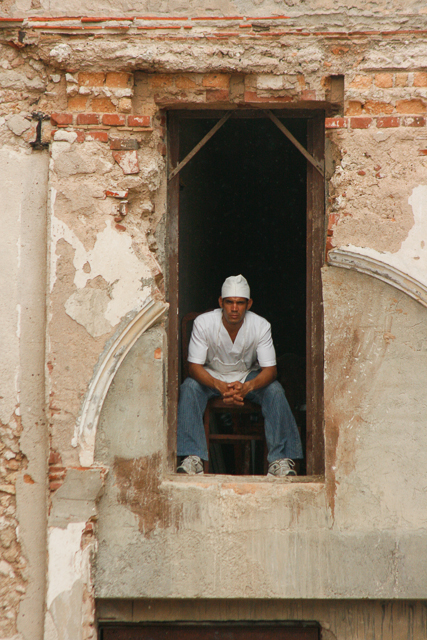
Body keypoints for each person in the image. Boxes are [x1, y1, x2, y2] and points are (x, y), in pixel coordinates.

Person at [177, 274, 303, 476]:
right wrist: (219, 385)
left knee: (275, 390)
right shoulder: (204, 323)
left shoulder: (261, 325)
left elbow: (271, 371)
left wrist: (247, 388)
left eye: (240, 303)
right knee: (189, 387)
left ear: (249, 304)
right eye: (229, 302)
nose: (234, 308)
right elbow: (194, 367)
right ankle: (192, 458)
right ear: (221, 302)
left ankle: (280, 460)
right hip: (211, 376)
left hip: (247, 377)